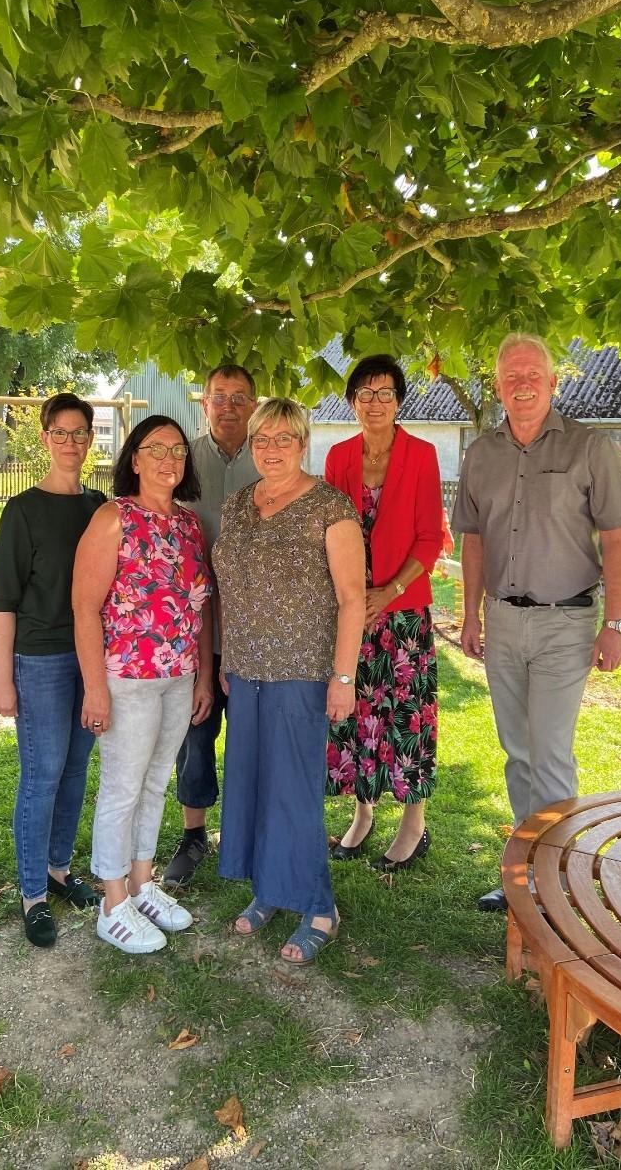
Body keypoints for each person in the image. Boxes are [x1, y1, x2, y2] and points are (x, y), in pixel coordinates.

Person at [452, 333, 621, 912]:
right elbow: (473, 540)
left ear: (554, 382)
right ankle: (524, 871)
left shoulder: (591, 448)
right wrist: (472, 615)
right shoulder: (481, 454)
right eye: (511, 376)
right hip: (503, 621)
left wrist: (618, 623)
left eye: (533, 373)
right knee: (517, 752)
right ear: (498, 386)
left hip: (567, 622)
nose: (522, 383)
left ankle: (554, 883)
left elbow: (616, 539)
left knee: (550, 752)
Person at [214, 398, 365, 964]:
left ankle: (320, 906)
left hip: (302, 670)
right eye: (262, 439)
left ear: (303, 443)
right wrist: (228, 654)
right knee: (255, 783)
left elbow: (352, 600)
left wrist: (343, 677)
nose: (271, 449)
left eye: (283, 438)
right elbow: (229, 586)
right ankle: (272, 890)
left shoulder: (331, 506)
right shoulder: (236, 506)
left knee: (294, 789)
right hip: (246, 670)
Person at [72, 416, 213, 954]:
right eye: (157, 449)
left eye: (178, 450)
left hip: (177, 678)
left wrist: (200, 673)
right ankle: (112, 903)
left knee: (156, 784)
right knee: (122, 789)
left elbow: (200, 604)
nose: (169, 459)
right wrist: (95, 688)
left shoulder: (187, 523)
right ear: (134, 458)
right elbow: (84, 607)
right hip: (127, 678)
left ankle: (140, 882)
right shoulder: (114, 518)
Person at [0, 393, 106, 948]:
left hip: (93, 658)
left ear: (91, 437)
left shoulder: (102, 506)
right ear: (45, 438)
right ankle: (32, 892)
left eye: (80, 432)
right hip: (40, 660)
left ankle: (60, 870)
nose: (71, 442)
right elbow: (4, 602)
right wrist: (2, 680)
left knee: (77, 768)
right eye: (60, 432)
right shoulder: (22, 510)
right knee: (42, 774)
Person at [324, 355, 446, 871]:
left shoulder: (422, 455)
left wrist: (389, 591)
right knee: (356, 716)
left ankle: (413, 825)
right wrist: (355, 597)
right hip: (353, 610)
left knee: (406, 715)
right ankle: (362, 814)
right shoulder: (338, 456)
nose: (375, 402)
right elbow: (329, 531)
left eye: (386, 393)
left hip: (403, 612)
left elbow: (429, 538)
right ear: (352, 401)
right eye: (365, 393)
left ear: (399, 401)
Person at [162, 363, 259, 890]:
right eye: (218, 396)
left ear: (254, 403)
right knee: (194, 734)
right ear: (204, 403)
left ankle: (245, 834)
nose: (227, 406)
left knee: (249, 736)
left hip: (253, 629)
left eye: (239, 397)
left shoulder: (270, 459)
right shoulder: (181, 460)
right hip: (192, 629)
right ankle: (193, 834)